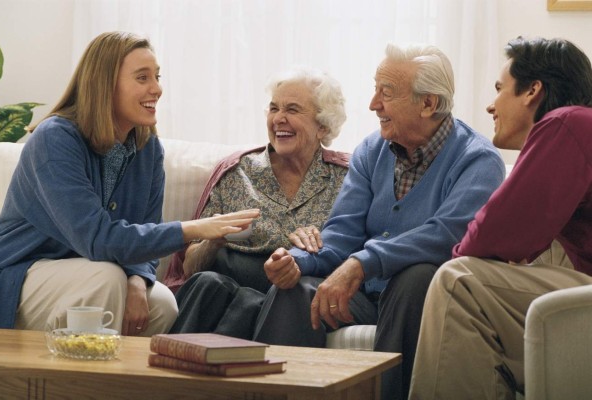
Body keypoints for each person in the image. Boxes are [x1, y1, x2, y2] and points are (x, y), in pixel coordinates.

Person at [252, 43, 505, 400]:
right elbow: (342, 233)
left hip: (419, 297)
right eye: (376, 90)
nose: (373, 104)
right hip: (364, 295)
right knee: (293, 290)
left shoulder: (478, 160)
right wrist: (298, 262)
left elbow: (446, 235)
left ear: (428, 103)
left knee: (416, 276)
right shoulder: (372, 150)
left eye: (386, 93)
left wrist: (363, 262)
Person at [0, 31, 259, 336]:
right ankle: (69, 382)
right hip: (15, 277)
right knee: (104, 278)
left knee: (160, 303)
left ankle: (121, 384)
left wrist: (135, 279)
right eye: (142, 78)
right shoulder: (55, 139)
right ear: (105, 85)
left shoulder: (148, 148)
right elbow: (97, 239)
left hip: (91, 273)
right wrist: (193, 229)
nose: (156, 89)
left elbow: (145, 229)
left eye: (157, 76)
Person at [409, 37, 592, 400]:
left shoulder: (568, 122)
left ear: (532, 91)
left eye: (499, 89)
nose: (491, 106)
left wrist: (464, 250)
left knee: (459, 280)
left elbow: (496, 234)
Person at [165, 67, 350, 339]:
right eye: (274, 108)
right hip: (228, 279)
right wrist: (215, 238)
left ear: (322, 125)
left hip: (297, 289)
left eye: (293, 110)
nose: (279, 119)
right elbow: (190, 266)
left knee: (265, 300)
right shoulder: (236, 172)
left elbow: (356, 251)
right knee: (206, 283)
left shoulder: (347, 178)